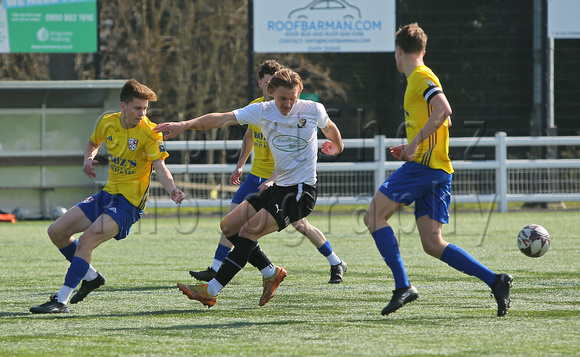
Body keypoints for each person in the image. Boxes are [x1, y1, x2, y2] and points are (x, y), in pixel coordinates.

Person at [155, 68, 344, 307]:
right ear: (271, 92)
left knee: (247, 232)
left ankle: (211, 291)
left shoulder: (312, 110)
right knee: (228, 226)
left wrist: (338, 147)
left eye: (292, 98)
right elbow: (221, 118)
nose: (287, 104)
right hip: (278, 188)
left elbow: (330, 128)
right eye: (282, 98)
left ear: (300, 93)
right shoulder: (262, 111)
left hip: (300, 192)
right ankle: (270, 272)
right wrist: (184, 124)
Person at [363, 23, 513, 317]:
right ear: (424, 49)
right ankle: (496, 281)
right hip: (437, 168)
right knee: (432, 243)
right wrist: (411, 145)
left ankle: (403, 286)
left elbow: (444, 110)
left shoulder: (419, 76)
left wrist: (414, 146)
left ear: (398, 51)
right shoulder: (421, 78)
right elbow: (443, 120)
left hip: (424, 168)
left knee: (373, 216)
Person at [30, 79, 185, 314]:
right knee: (57, 232)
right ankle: (91, 277)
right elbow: (93, 143)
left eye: (145, 109)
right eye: (137, 108)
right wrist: (87, 159)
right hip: (107, 195)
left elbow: (160, 167)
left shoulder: (150, 133)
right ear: (123, 106)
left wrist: (172, 188)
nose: (142, 114)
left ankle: (61, 301)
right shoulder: (107, 122)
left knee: (86, 241)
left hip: (128, 204)